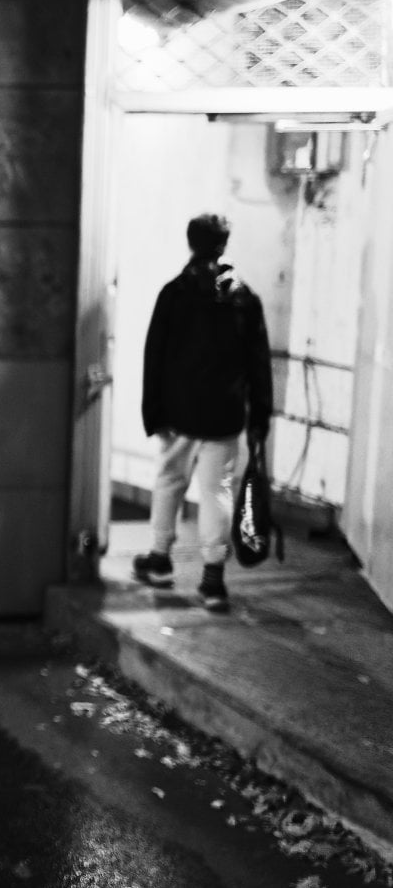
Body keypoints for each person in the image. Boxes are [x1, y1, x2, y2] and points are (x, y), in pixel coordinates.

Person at [132, 213, 273, 612]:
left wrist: (153, 411)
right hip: (225, 415)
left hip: (179, 413)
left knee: (169, 480)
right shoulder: (245, 298)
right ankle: (213, 579)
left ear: (190, 242)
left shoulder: (174, 294)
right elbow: (258, 364)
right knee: (218, 491)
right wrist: (259, 418)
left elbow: (154, 356)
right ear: (224, 245)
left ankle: (160, 558)